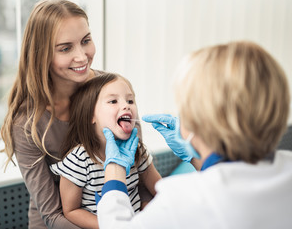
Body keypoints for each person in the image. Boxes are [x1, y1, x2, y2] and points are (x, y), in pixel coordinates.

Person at [96, 41, 292, 228]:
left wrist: (114, 172)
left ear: (200, 120)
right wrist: (196, 158)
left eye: (184, 107)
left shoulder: (181, 200)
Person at [0, 0, 151, 229]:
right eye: (65, 48)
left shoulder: (114, 92)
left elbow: (141, 178)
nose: (82, 57)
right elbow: (52, 215)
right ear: (41, 55)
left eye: (85, 41)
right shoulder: (26, 123)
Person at [50, 73, 161, 228]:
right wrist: (105, 226)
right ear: (90, 116)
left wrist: (151, 210)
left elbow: (160, 190)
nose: (126, 105)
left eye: (130, 100)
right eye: (113, 101)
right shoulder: (79, 159)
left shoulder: (137, 151)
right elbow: (71, 210)